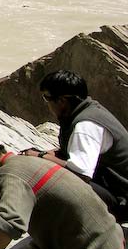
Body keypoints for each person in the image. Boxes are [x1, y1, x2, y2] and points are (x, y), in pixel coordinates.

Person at [21, 70, 128, 222]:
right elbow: (74, 152)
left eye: (47, 98)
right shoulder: (91, 109)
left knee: (51, 178)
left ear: (62, 101)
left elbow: (80, 175)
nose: (47, 104)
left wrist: (41, 156)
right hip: (115, 188)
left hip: (122, 201)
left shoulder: (86, 126)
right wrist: (48, 155)